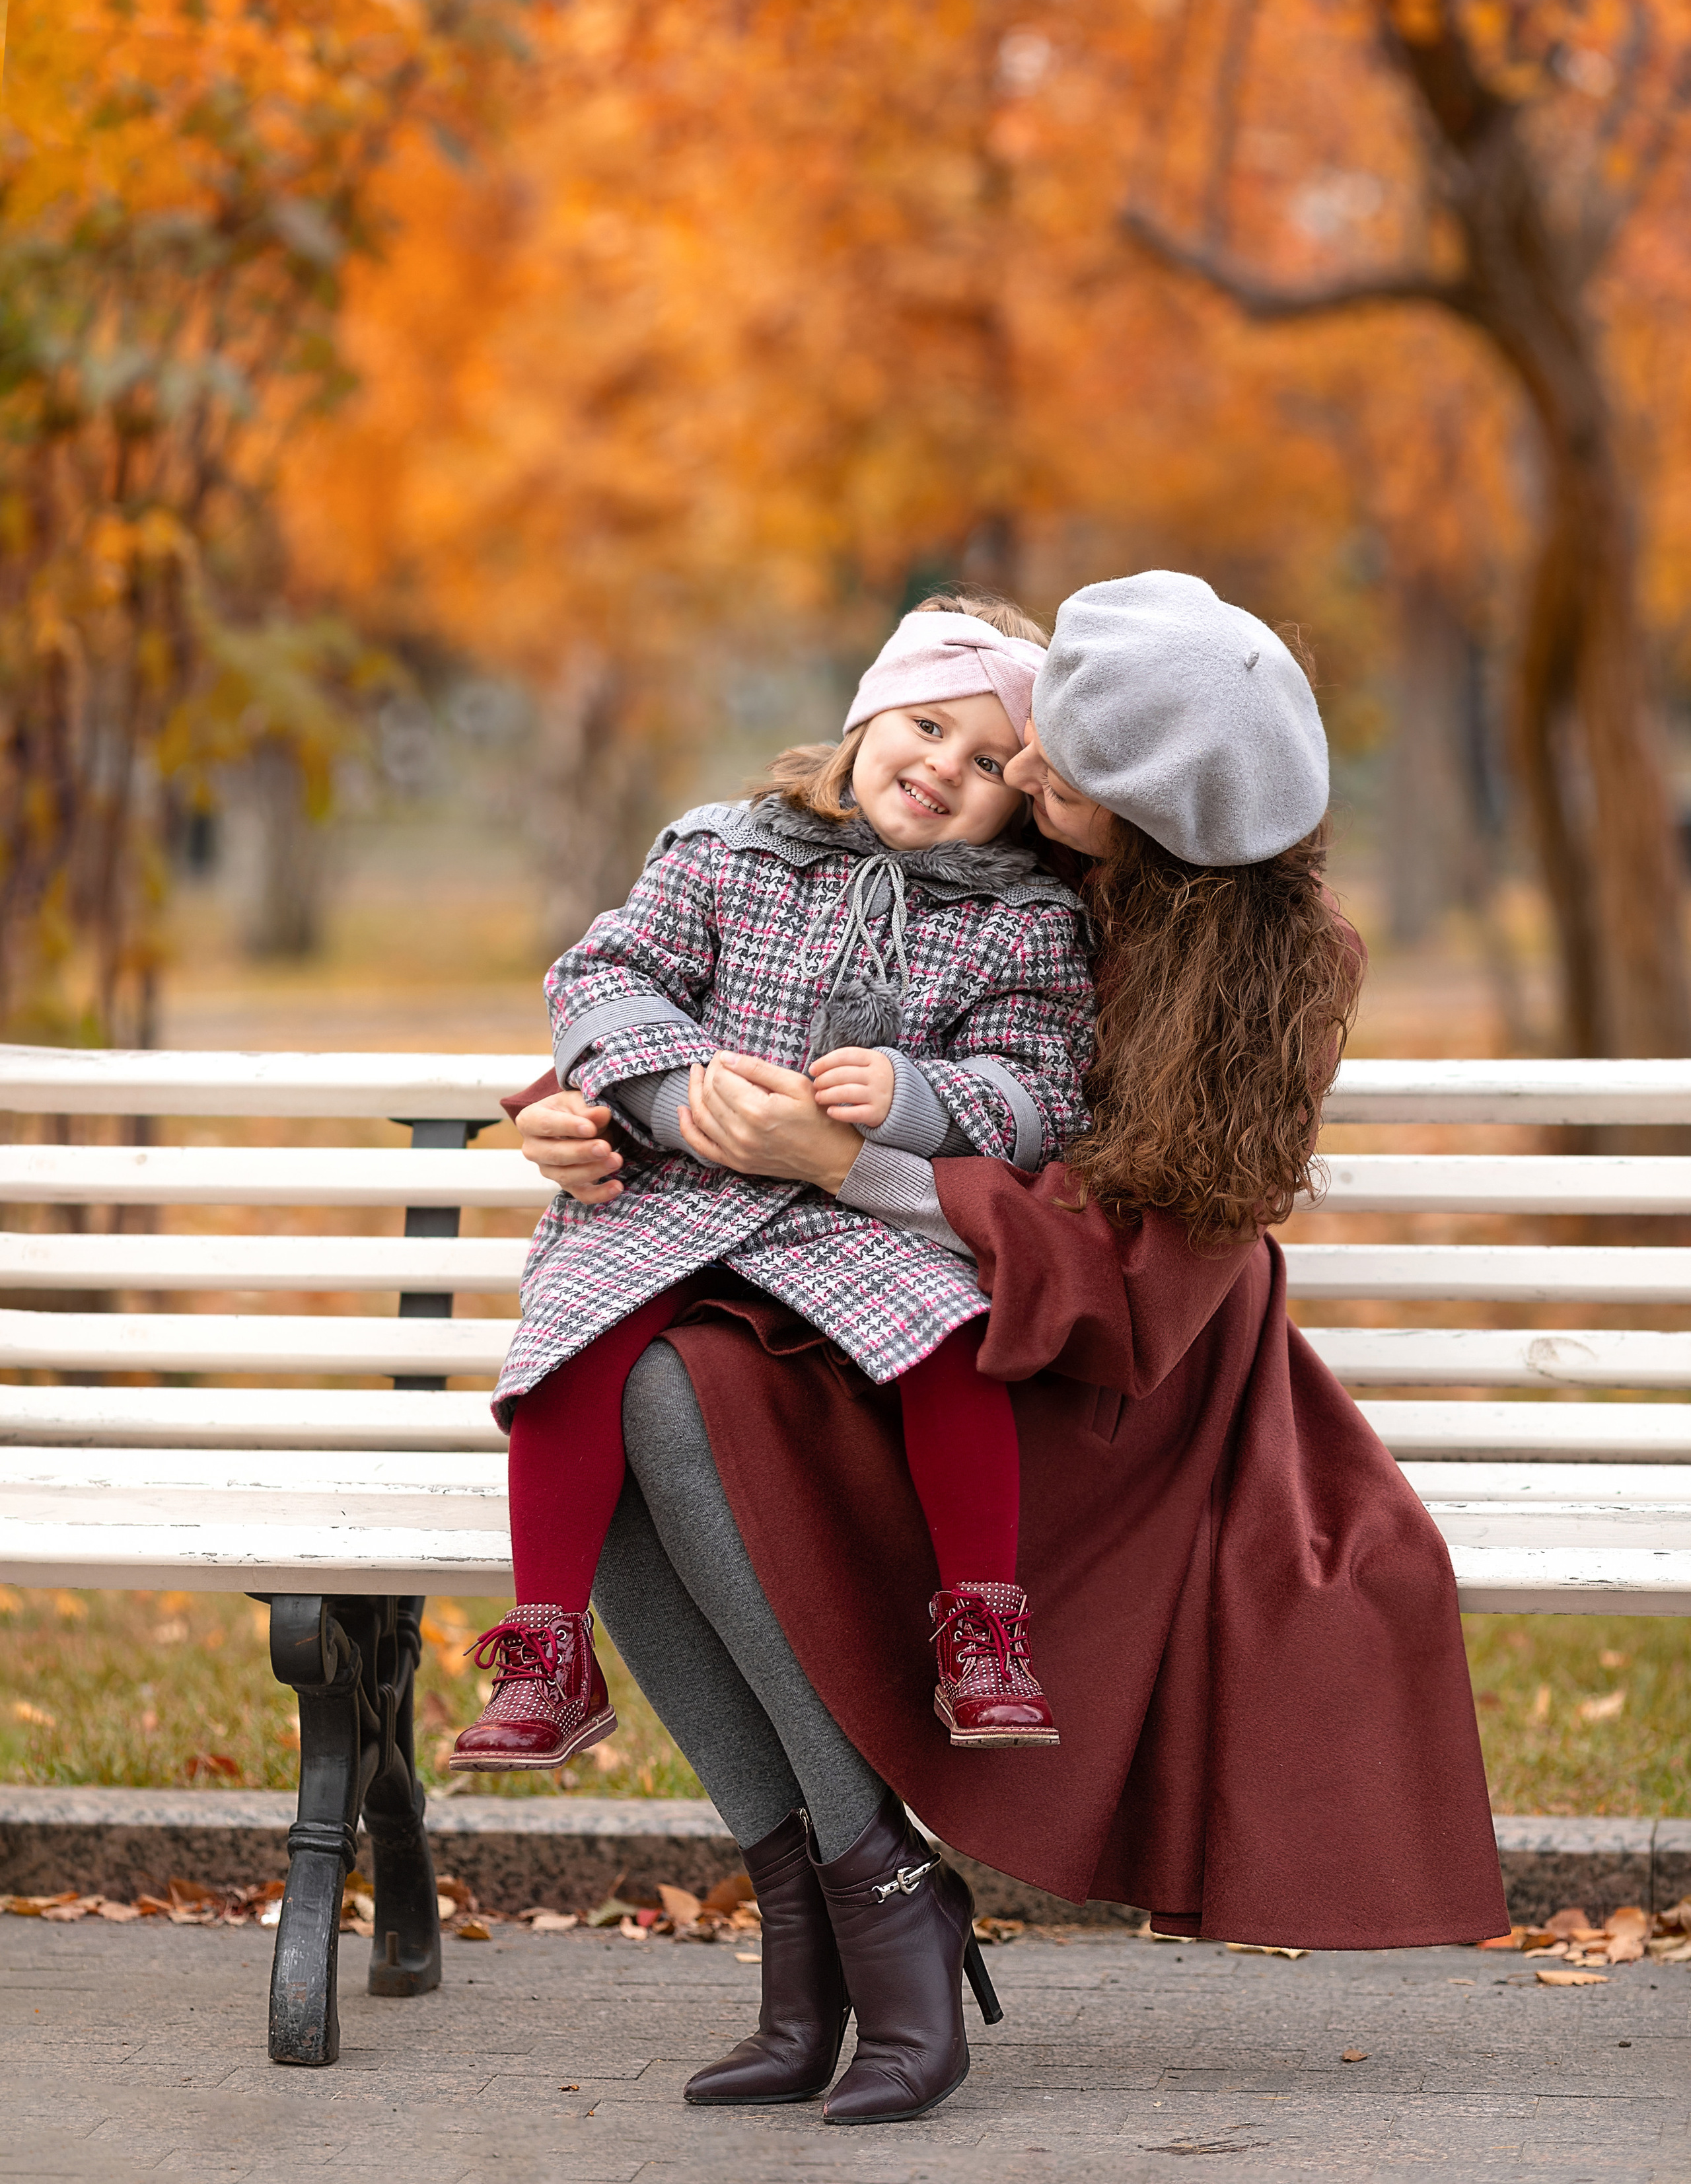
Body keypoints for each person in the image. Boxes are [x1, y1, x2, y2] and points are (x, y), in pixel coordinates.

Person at [505, 571, 1510, 2129]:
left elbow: (1136, 1283)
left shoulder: (1263, 978)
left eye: (1056, 767)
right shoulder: (995, 826)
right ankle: (827, 1918)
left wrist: (846, 1164)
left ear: (1150, 823)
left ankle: (875, 1898)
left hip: (1083, 1377)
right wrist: (587, 1111)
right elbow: (763, 974)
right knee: (629, 1379)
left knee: (677, 1398)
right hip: (865, 1287)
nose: (1019, 762)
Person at [451, 593, 1096, 1784]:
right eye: (928, 727)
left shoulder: (1025, 923)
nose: (944, 767)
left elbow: (1042, 1093)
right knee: (572, 1336)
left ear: (1022, 797)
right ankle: (547, 1651)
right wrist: (675, 1096)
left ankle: (983, 1627)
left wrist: (913, 1094)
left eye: (989, 761)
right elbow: (604, 979)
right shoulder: (727, 850)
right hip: (675, 1185)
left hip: (855, 1210)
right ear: (869, 717)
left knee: (953, 1339)